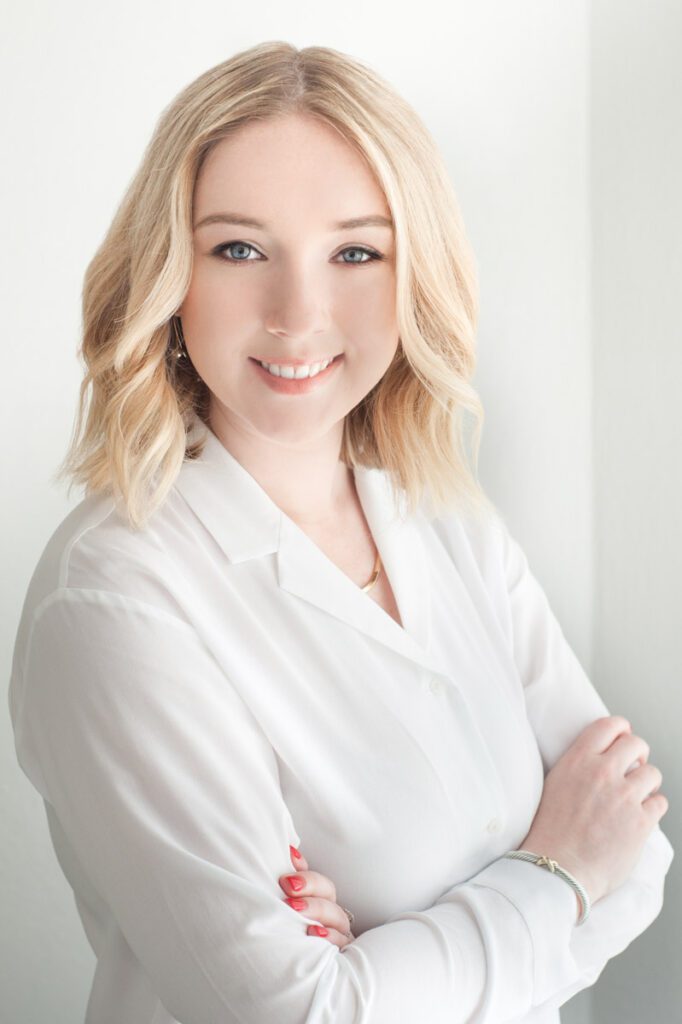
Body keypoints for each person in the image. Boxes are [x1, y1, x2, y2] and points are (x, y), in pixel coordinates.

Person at [8, 40, 673, 1024]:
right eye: (239, 248)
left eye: (355, 251)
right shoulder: (114, 594)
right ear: (167, 270)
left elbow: (641, 856)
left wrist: (396, 960)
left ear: (414, 274)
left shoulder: (443, 513)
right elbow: (305, 1015)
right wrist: (555, 869)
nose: (298, 313)